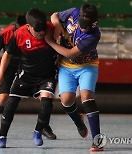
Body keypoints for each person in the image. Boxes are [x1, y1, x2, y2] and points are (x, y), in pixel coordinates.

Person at [0, 14, 56, 140]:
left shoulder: (40, 32)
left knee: (45, 99)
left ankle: (43, 127)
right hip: (11, 68)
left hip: (30, 67)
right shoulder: (7, 33)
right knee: (3, 97)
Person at [45, 3, 103, 152]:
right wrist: (57, 25)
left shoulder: (94, 34)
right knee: (66, 100)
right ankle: (79, 121)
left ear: (94, 23)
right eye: (81, 25)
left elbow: (70, 53)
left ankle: (97, 140)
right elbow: (54, 15)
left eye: (86, 26)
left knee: (87, 97)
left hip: (87, 66)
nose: (83, 28)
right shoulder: (74, 12)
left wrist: (50, 42)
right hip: (67, 67)